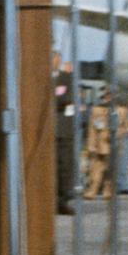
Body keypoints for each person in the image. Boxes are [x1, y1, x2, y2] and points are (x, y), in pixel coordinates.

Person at [83, 88, 128, 200]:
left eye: (111, 95)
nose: (108, 98)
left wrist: (118, 133)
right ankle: (92, 191)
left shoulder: (122, 110)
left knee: (111, 170)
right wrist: (91, 145)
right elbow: (92, 128)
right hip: (100, 144)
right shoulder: (96, 110)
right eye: (106, 96)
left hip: (114, 144)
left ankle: (108, 191)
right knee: (95, 169)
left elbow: (127, 127)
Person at [52, 50, 76, 215]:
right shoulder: (41, 77)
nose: (55, 62)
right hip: (48, 131)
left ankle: (62, 201)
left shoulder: (66, 78)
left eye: (57, 59)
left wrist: (53, 99)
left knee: (65, 166)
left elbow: (68, 99)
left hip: (63, 129)